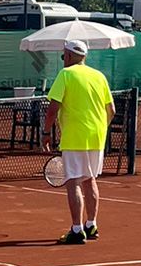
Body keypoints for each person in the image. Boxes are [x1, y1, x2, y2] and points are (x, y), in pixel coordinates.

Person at [43, 40, 116, 245]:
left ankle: (76, 230)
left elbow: (53, 108)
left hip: (75, 137)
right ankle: (91, 224)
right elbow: (111, 111)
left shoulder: (65, 75)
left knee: (73, 180)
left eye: (62, 56)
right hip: (97, 138)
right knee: (89, 179)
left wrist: (45, 133)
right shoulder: (99, 76)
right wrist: (100, 130)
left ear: (68, 55)